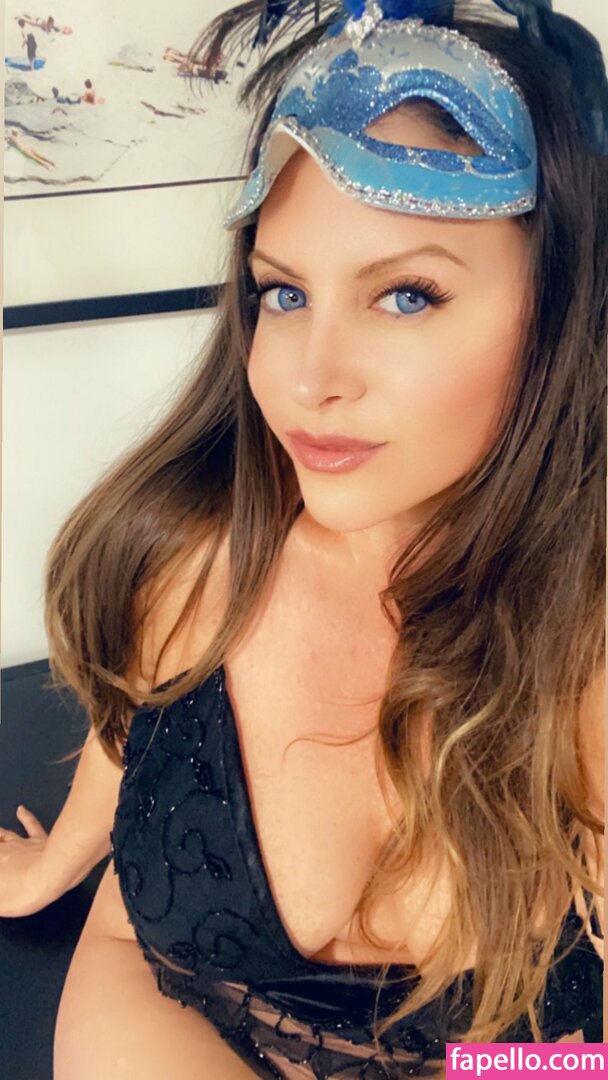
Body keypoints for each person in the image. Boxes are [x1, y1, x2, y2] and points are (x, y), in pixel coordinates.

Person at [0, 1, 605, 1077]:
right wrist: (60, 867)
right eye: (282, 292)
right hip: (184, 1002)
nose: (307, 378)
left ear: (559, 309)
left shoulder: (587, 648)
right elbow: (137, 737)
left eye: (406, 295)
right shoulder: (186, 559)